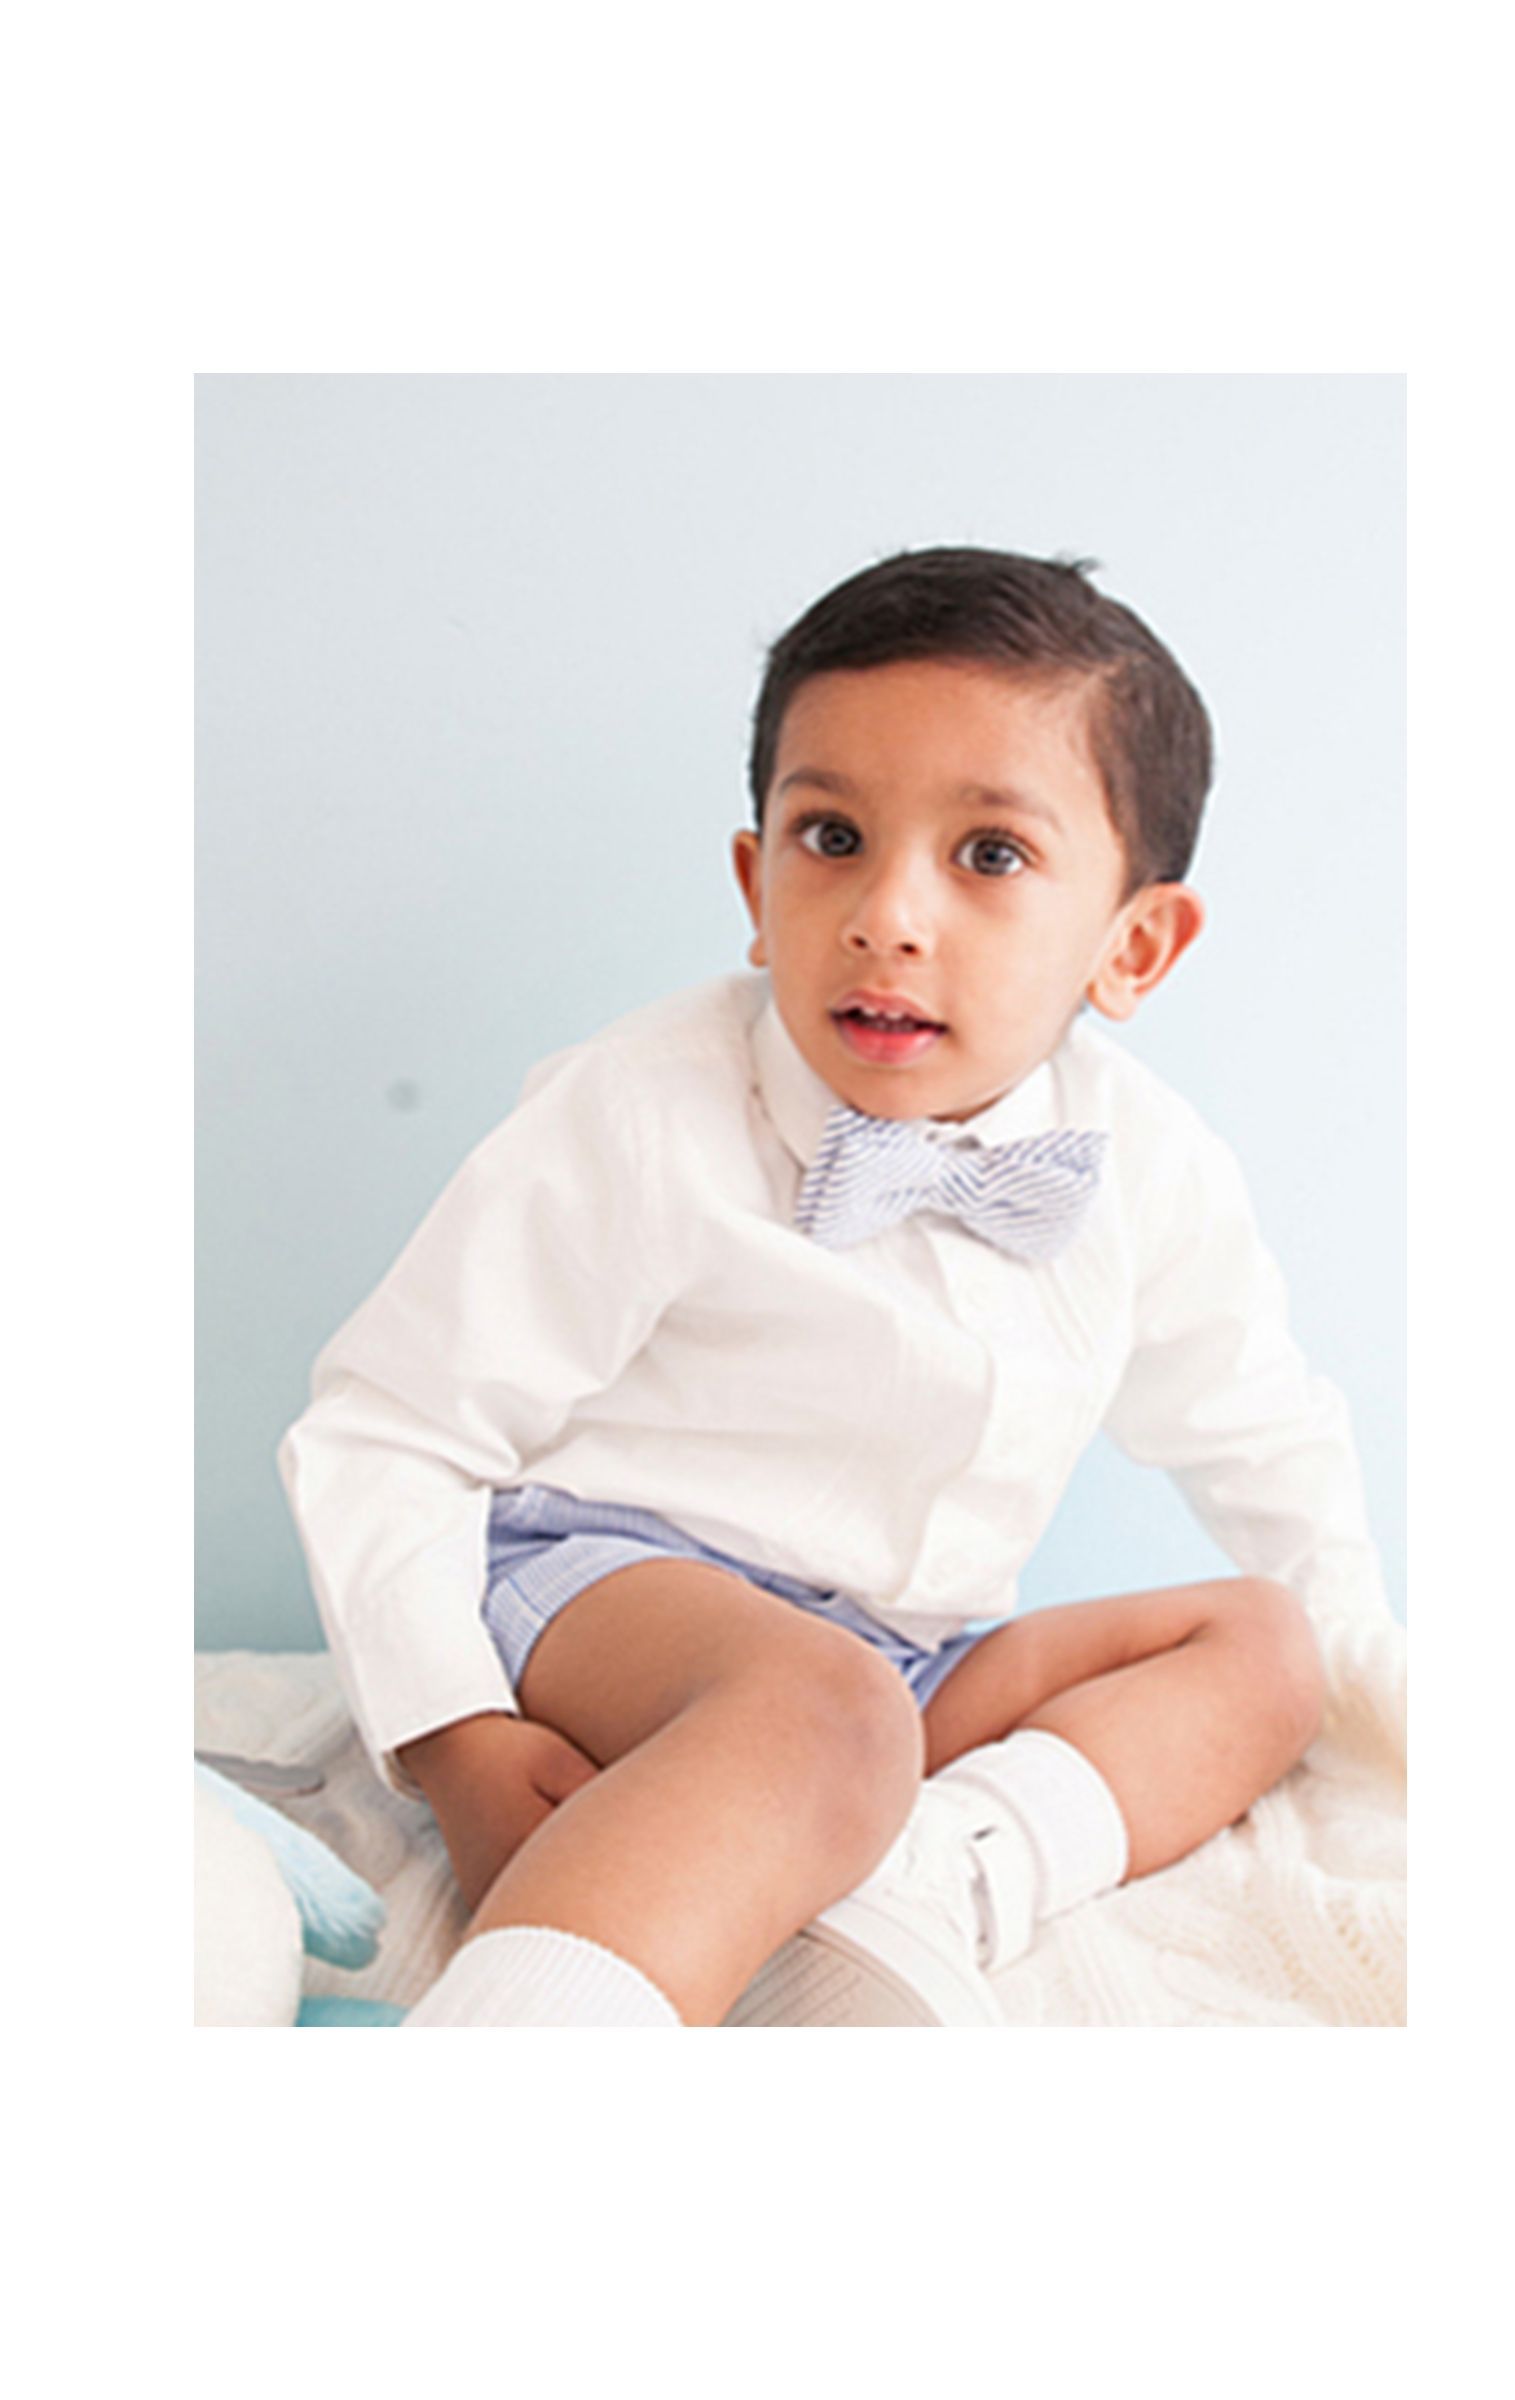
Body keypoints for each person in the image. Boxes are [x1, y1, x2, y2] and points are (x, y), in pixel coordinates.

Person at [278, 546, 1388, 2028]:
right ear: (755, 883)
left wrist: (1386, 1709)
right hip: (607, 1589)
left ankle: (938, 1876)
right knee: (821, 1706)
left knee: (1264, 1645)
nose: (888, 914)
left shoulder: (1148, 1166)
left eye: (988, 856)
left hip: (907, 1666)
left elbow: (1262, 1433)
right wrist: (452, 1729)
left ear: (1133, 945)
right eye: (831, 836)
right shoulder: (646, 1106)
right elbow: (391, 1425)